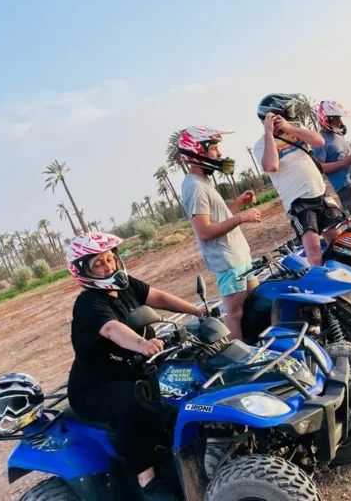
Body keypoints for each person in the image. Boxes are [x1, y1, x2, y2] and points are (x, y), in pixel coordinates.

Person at [66, 232, 203, 501]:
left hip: (131, 370)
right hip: (95, 386)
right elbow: (111, 328)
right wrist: (142, 344)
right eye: (98, 264)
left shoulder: (125, 285)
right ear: (84, 271)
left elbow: (158, 297)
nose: (108, 266)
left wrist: (197, 311)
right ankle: (147, 481)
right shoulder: (89, 303)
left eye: (109, 259)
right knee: (131, 403)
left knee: (184, 379)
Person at [179, 126, 260, 340]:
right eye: (214, 148)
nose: (220, 154)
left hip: (239, 258)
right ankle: (240, 364)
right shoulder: (194, 187)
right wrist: (241, 218)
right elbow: (204, 231)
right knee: (234, 315)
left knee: (256, 304)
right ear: (199, 152)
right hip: (228, 263)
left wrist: (237, 205)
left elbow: (216, 217)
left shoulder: (202, 183)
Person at [252, 93, 343, 267]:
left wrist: (289, 128)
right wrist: (269, 133)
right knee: (314, 250)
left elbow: (319, 142)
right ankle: (321, 288)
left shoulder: (296, 129)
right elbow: (271, 166)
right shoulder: (262, 144)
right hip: (299, 202)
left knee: (338, 241)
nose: (291, 114)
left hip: (320, 193)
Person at [312, 100, 351, 212]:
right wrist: (344, 162)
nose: (340, 121)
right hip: (345, 187)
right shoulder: (320, 141)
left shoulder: (338, 134)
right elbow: (321, 168)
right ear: (327, 119)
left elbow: (343, 155)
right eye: (337, 118)